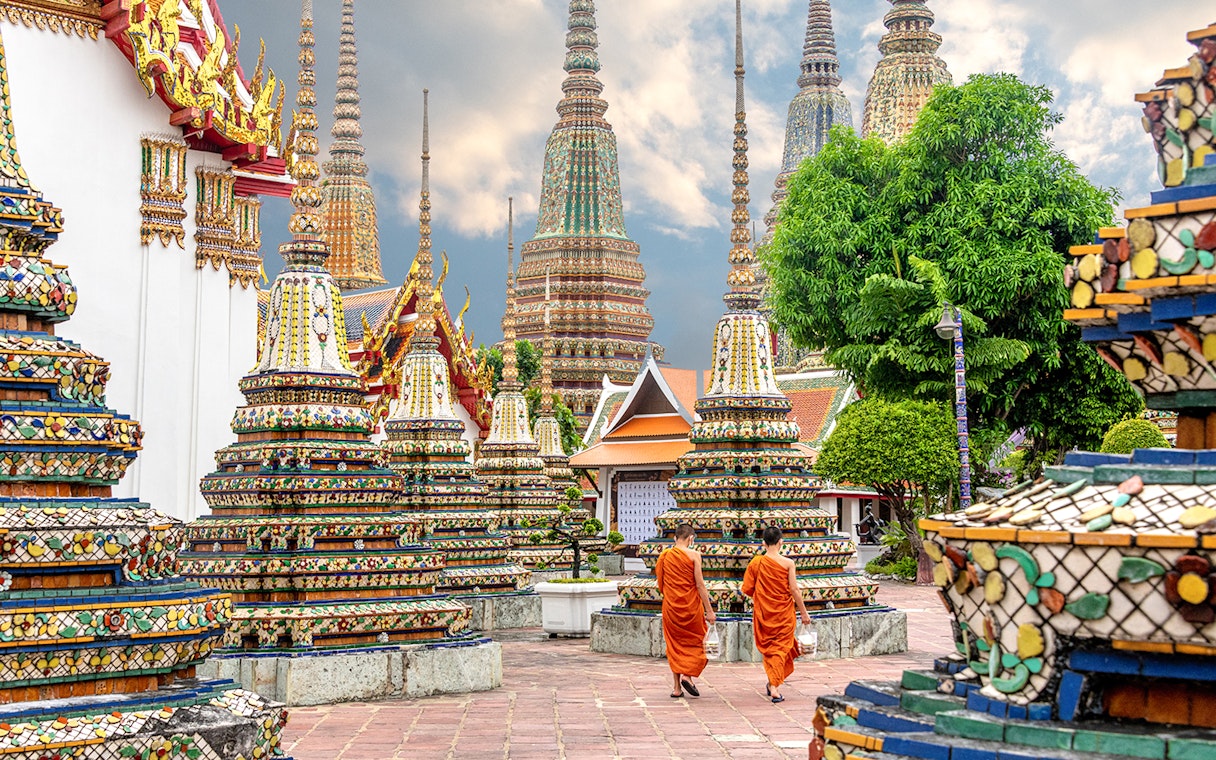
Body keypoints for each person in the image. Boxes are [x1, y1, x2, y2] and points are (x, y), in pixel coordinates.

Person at [742, 526, 810, 703]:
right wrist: (804, 613)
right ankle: (774, 686)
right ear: (781, 542)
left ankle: (773, 681)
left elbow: (748, 589)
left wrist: (764, 596)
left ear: (763, 543)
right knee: (780, 649)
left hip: (765, 613)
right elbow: (795, 590)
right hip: (784, 614)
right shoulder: (788, 563)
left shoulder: (756, 563)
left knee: (773, 650)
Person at [654, 523, 716, 698]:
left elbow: (661, 584)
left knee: (674, 646)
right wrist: (709, 611)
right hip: (691, 609)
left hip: (671, 608)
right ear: (691, 539)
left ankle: (676, 688)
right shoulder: (694, 555)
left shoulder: (665, 555)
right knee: (699, 642)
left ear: (675, 538)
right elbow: (700, 585)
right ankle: (687, 675)